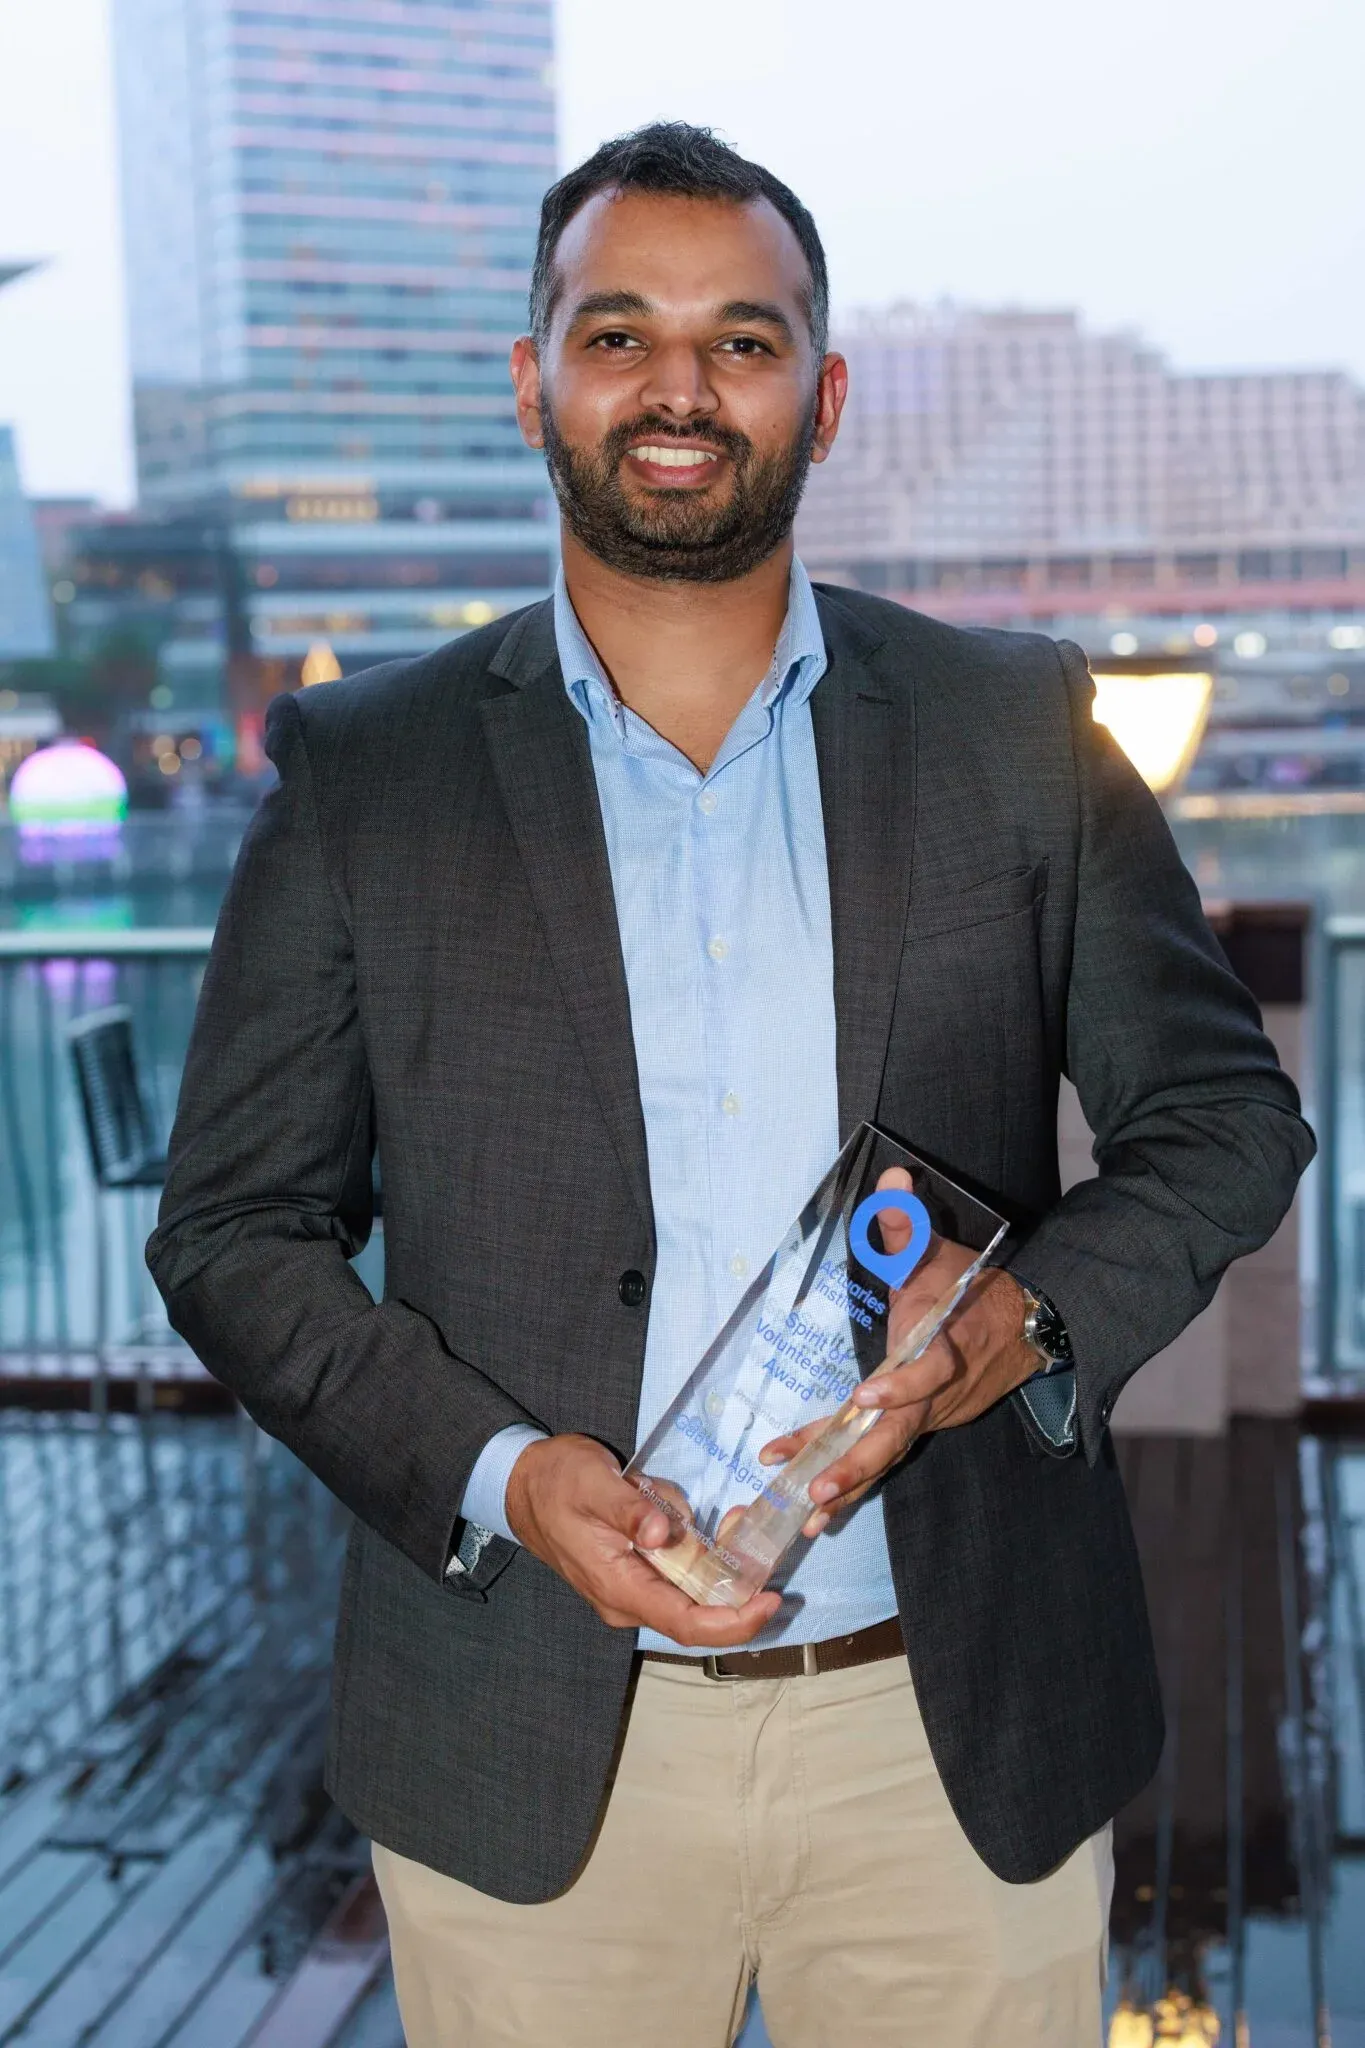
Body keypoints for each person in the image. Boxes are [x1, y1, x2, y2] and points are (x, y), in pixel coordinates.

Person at [148, 123, 1314, 2047]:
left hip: (953, 1730)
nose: (679, 387)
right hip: (526, 1735)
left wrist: (1019, 1325)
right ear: (535, 380)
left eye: (743, 341)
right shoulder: (371, 773)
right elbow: (236, 1231)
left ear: (824, 394)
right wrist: (510, 1480)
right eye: (619, 335)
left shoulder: (1016, 729)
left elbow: (1221, 1118)